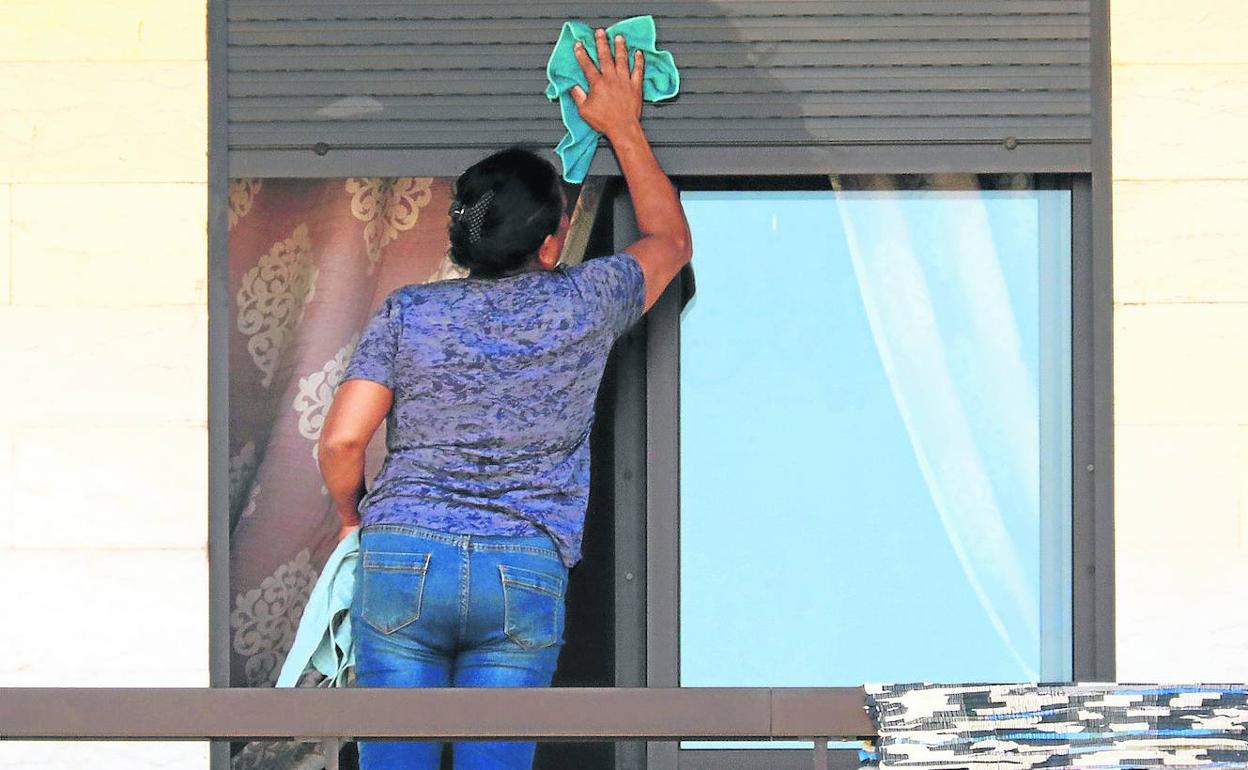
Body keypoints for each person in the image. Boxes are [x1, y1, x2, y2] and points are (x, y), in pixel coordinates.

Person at [316, 27, 692, 770]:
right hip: (522, 565)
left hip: (404, 555)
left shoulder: (408, 311)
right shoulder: (584, 301)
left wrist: (353, 515)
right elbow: (670, 241)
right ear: (552, 242)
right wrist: (623, 129)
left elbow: (341, 443)